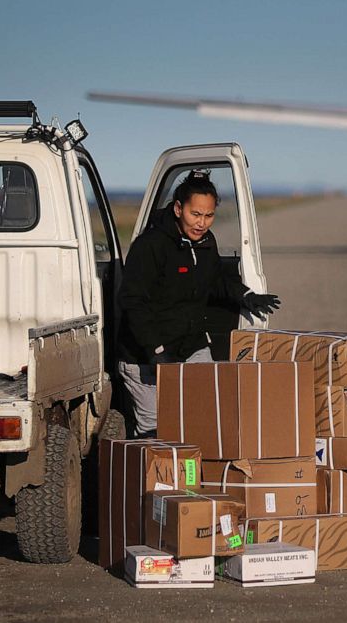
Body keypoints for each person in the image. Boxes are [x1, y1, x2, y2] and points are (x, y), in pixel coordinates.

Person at [116, 170, 280, 437]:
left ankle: (198, 476)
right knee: (156, 432)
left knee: (205, 417)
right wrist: (155, 349)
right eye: (196, 214)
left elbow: (215, 279)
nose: (202, 223)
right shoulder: (150, 246)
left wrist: (247, 296)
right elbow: (132, 302)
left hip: (190, 346)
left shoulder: (205, 242)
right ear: (179, 209)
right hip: (144, 356)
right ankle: (161, 477)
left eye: (209, 216)